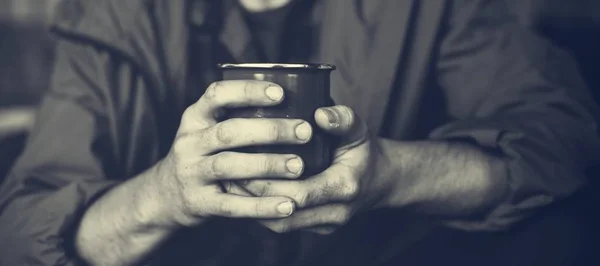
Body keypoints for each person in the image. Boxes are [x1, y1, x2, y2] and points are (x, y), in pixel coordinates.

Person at [1, 0, 599, 265]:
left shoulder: (436, 8)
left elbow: (563, 141)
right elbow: (21, 236)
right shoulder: (114, 15)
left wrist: (393, 173)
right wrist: (165, 195)